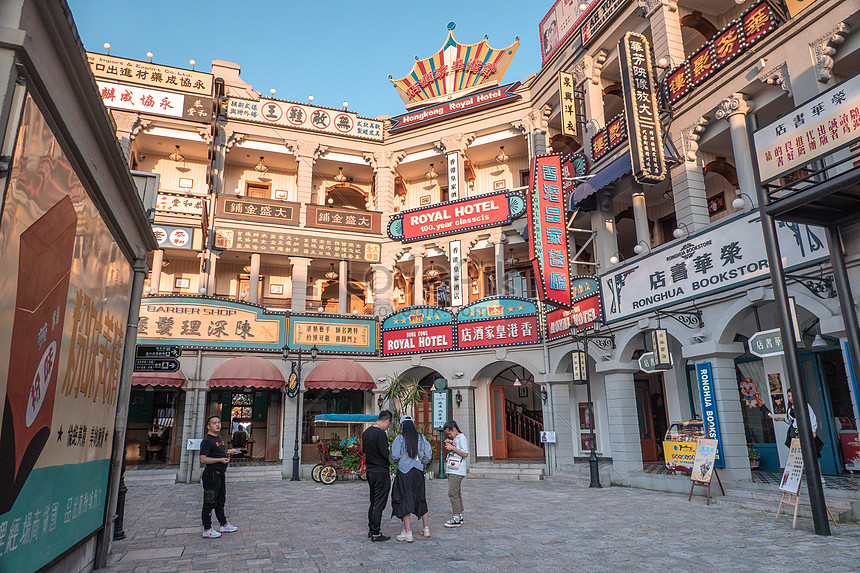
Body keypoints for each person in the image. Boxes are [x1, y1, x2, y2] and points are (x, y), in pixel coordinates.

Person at [390, 415, 432, 542]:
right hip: (418, 472)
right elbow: (427, 455)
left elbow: (395, 456)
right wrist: (421, 462)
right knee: (420, 497)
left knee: (404, 498)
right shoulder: (421, 437)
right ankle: (425, 528)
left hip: (404, 472)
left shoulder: (400, 438)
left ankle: (408, 532)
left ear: (402, 425)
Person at [199, 415, 241, 539]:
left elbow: (218, 452)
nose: (217, 425)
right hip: (211, 474)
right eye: (214, 423)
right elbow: (203, 459)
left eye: (218, 422)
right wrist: (220, 460)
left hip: (220, 474)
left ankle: (223, 524)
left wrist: (228, 452)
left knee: (220, 500)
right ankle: (207, 529)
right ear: (208, 426)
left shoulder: (219, 438)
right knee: (209, 502)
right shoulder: (207, 441)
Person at [771, 389, 826, 480]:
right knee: (797, 455)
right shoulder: (790, 408)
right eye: (788, 396)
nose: (790, 398)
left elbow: (812, 417)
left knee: (813, 455)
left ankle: (819, 477)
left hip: (805, 431)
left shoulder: (805, 405)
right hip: (795, 433)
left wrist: (813, 430)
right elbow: (791, 421)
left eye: (792, 396)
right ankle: (800, 478)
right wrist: (782, 419)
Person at [362, 409, 392, 542]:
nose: (388, 427)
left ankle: (371, 529)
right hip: (380, 471)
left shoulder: (366, 433)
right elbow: (385, 454)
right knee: (380, 502)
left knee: (373, 501)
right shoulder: (381, 434)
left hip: (370, 471)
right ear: (387, 421)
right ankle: (376, 532)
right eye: (388, 424)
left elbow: (364, 451)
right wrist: (388, 449)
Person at [442, 420, 469, 528]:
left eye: (449, 433)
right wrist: (452, 443)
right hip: (453, 468)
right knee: (456, 493)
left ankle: (456, 517)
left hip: (457, 470)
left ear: (454, 429)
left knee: (452, 493)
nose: (449, 435)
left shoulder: (462, 437)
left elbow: (465, 453)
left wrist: (452, 448)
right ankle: (460, 514)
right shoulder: (457, 438)